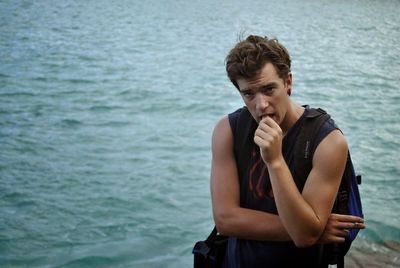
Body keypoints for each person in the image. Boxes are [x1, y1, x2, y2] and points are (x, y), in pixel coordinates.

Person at [210, 35, 365, 267]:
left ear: (288, 82)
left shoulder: (327, 141)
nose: (261, 105)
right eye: (249, 94)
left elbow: (304, 237)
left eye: (269, 89)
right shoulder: (229, 131)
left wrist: (275, 162)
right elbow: (225, 220)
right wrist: (311, 227)